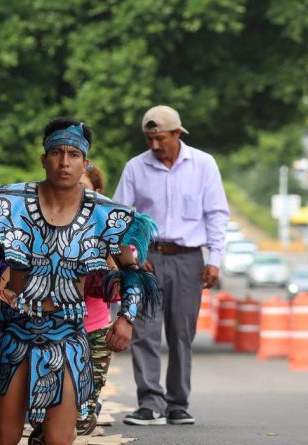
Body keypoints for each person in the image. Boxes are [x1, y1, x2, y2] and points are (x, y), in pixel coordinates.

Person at [0, 117, 160, 445]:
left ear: (85, 163)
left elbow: (132, 270)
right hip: (16, 332)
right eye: (57, 153)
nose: (65, 162)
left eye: (74, 155)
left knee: (58, 439)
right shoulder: (9, 202)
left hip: (68, 335)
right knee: (5, 436)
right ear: (44, 159)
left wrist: (127, 318)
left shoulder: (107, 215)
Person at [115, 105, 229, 426]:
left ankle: (178, 403)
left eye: (160, 138)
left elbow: (217, 214)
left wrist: (215, 259)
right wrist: (134, 257)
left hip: (189, 258)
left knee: (181, 333)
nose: (154, 145)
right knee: (145, 331)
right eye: (149, 138)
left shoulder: (203, 165)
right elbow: (121, 217)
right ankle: (150, 402)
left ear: (178, 134)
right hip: (148, 258)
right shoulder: (136, 168)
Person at [75, 162, 117, 436]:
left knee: (81, 425)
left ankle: (90, 404)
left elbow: (123, 281)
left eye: (84, 189)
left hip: (97, 329)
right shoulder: (44, 221)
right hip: (55, 331)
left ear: (98, 192)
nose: (75, 193)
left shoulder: (111, 228)